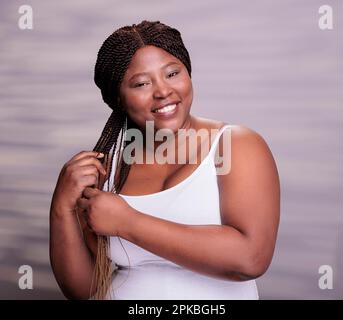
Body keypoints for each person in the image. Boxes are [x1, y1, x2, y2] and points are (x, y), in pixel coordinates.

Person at [49, 20, 280, 300]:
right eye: (142, 83)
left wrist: (128, 222)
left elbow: (250, 258)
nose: (163, 91)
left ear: (188, 73)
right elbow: (86, 291)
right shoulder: (107, 171)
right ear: (118, 98)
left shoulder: (235, 145)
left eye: (172, 73)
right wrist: (61, 208)